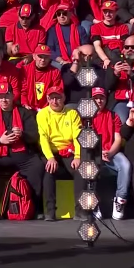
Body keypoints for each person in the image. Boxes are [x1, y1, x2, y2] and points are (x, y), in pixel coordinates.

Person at [0, 83, 45, 220]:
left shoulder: (24, 112)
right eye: (1, 96)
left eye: (7, 96)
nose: (4, 100)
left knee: (36, 165)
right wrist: (0, 139)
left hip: (20, 151)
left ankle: (36, 205)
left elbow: (34, 135)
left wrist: (22, 134)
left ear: (12, 95)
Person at [36, 87, 83, 221]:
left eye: (58, 98)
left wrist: (78, 156)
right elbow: (43, 138)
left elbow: (77, 137)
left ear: (64, 98)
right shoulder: (42, 114)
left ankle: (79, 211)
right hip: (51, 151)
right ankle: (50, 211)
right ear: (48, 99)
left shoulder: (72, 113)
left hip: (68, 150)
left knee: (80, 170)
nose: (55, 101)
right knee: (48, 170)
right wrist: (50, 158)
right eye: (52, 98)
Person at [90, 87, 130, 220]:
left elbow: (118, 138)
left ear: (106, 99)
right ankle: (93, 204)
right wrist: (98, 153)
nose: (99, 101)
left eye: (101, 98)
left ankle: (120, 200)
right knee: (87, 167)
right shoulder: (87, 117)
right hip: (93, 153)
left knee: (125, 165)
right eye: (96, 98)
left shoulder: (113, 116)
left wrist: (110, 152)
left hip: (111, 152)